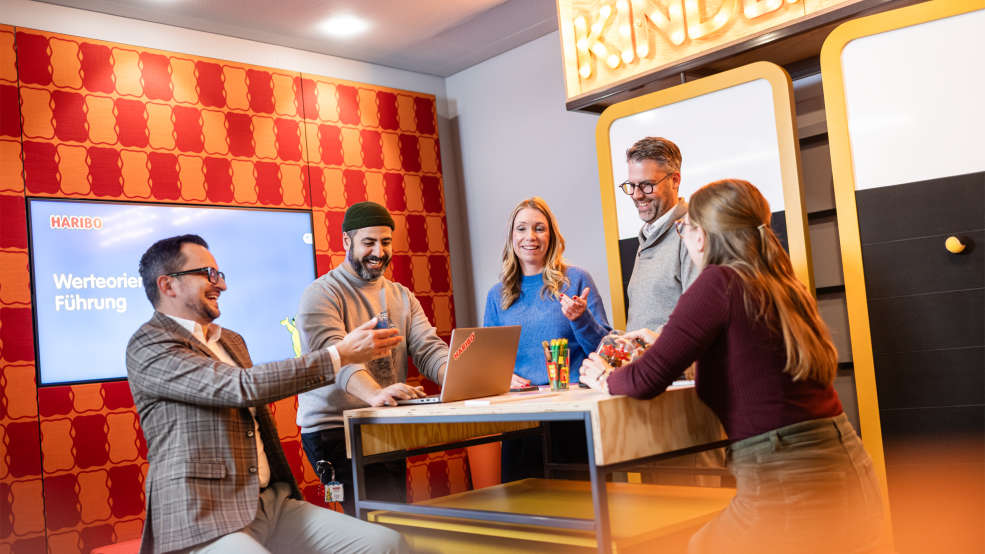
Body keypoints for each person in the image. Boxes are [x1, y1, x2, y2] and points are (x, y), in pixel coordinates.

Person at [580, 180, 883, 553]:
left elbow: (645, 379)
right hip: (846, 459)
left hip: (786, 472)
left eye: (683, 228)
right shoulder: (780, 282)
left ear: (702, 236)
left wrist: (605, 378)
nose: (683, 237)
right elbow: (750, 363)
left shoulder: (717, 282)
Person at [126, 234, 407, 554]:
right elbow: (240, 387)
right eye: (208, 274)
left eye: (220, 275)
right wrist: (338, 354)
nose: (221, 285)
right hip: (201, 517)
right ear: (168, 285)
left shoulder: (231, 340)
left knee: (386, 543)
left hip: (269, 504)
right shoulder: (148, 344)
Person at [296, 201, 448, 515]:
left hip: (383, 420)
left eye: (386, 242)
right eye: (368, 242)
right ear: (346, 242)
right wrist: (375, 393)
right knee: (373, 521)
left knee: (393, 517)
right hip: (334, 428)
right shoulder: (321, 294)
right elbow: (337, 360)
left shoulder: (402, 295)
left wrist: (461, 377)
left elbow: (429, 349)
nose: (379, 251)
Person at [483, 197, 610, 481]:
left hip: (572, 415)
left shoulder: (575, 280)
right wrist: (502, 377)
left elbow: (604, 349)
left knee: (581, 511)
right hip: (520, 418)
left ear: (551, 235)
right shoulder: (497, 294)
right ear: (511, 237)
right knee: (523, 511)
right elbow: (488, 362)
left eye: (539, 228)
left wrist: (581, 318)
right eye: (522, 229)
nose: (530, 237)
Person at [622, 136, 699, 331]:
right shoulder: (648, 236)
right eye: (632, 186)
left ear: (675, 180)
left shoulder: (692, 234)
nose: (637, 195)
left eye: (647, 185)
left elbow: (697, 318)